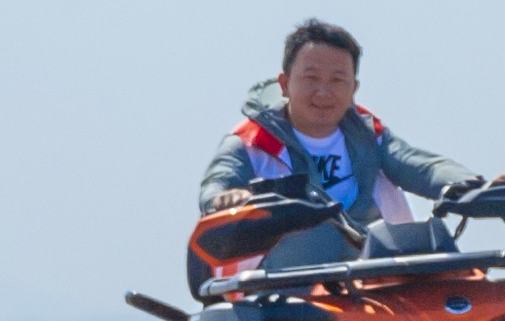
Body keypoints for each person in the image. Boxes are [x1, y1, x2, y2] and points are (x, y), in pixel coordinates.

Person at [193, 21, 489, 281]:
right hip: (276, 293)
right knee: (318, 233)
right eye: (311, 79)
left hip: (374, 284)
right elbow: (217, 185)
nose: (324, 92)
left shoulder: (370, 135)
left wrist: (474, 186)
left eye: (337, 80)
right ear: (284, 84)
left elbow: (421, 165)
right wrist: (225, 199)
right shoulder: (249, 143)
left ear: (353, 88)